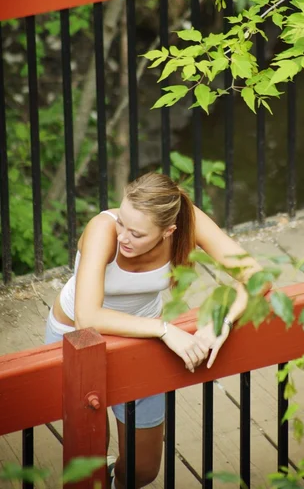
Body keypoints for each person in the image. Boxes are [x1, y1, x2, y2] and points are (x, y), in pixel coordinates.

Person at [45, 172, 266, 489]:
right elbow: (87, 317)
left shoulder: (187, 222)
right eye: (121, 221)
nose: (123, 236)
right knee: (90, 454)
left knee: (142, 469)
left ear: (169, 231)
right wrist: (164, 329)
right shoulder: (102, 230)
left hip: (140, 338)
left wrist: (223, 321)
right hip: (78, 340)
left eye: (136, 233)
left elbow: (256, 278)